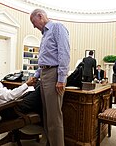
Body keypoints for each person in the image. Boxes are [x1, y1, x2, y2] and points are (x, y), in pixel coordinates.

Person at [30, 9, 70, 146]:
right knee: (46, 115)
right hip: (44, 74)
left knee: (54, 118)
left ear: (40, 16)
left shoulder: (57, 28)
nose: (34, 26)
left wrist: (61, 79)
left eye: (34, 22)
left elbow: (64, 54)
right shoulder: (44, 34)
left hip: (54, 74)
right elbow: (44, 60)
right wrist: (36, 75)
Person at [0, 54, 42, 119]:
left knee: (37, 86)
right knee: (41, 88)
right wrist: (26, 84)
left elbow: (6, 93)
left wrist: (26, 87)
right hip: (8, 109)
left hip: (10, 105)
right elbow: (8, 96)